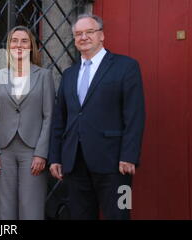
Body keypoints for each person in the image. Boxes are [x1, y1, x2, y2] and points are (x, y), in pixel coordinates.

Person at [48, 14, 145, 220]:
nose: (83, 37)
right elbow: (60, 120)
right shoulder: (69, 74)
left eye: (89, 32)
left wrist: (129, 155)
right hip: (74, 163)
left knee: (120, 214)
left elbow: (135, 115)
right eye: (78, 34)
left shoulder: (126, 67)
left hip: (115, 165)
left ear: (101, 35)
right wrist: (55, 157)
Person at [0, 26, 55, 220]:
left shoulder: (44, 75)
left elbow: (49, 116)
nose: (19, 45)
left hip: (32, 151)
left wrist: (41, 152)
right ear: (9, 46)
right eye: (14, 40)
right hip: (4, 150)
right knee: (6, 209)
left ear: (31, 46)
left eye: (24, 41)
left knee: (31, 208)